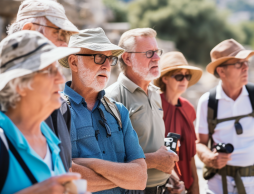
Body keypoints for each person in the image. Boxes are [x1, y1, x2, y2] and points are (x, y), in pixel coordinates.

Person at [0, 0, 79, 173]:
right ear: (28, 31)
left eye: (67, 37)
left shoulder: (59, 102)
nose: (65, 43)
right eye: (59, 33)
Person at [57, 27, 147, 193]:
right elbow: (63, 177)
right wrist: (124, 177)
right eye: (99, 57)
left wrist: (90, 164)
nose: (107, 65)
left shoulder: (119, 111)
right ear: (74, 62)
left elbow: (140, 178)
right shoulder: (55, 111)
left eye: (110, 58)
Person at [196, 39, 254, 194]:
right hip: (218, 187)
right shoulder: (207, 102)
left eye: (246, 62)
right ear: (221, 71)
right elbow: (199, 143)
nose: (246, 67)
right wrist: (208, 157)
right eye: (238, 64)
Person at [105, 28, 183, 194]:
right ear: (127, 58)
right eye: (149, 53)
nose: (157, 58)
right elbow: (108, 160)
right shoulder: (113, 97)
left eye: (157, 52)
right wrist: (155, 161)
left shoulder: (154, 92)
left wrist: (171, 176)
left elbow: (153, 144)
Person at [153, 51, 202, 194]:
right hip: (161, 184)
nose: (184, 80)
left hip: (185, 182)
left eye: (187, 76)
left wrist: (195, 186)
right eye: (179, 76)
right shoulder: (154, 105)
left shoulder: (188, 108)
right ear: (165, 79)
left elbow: (191, 152)